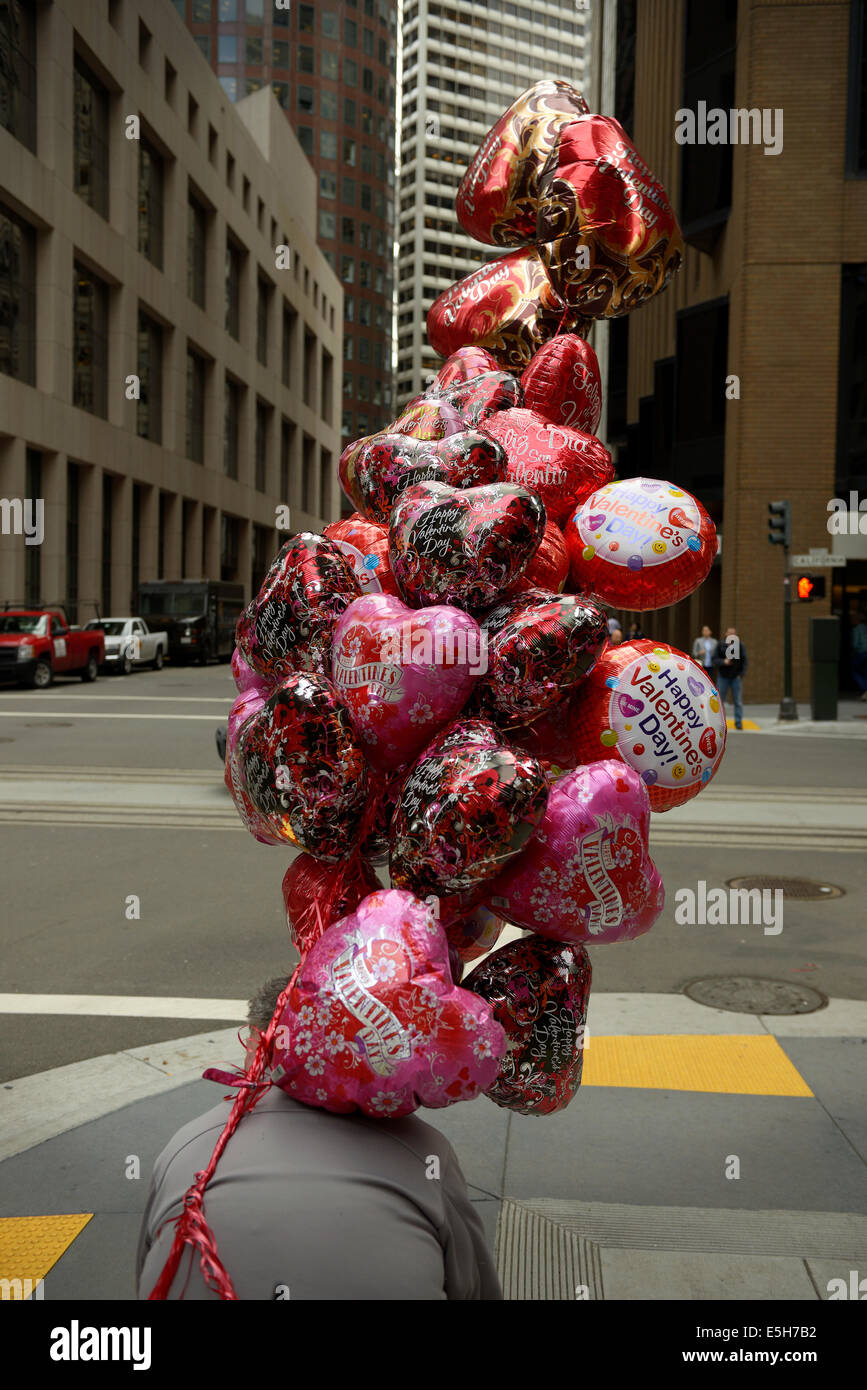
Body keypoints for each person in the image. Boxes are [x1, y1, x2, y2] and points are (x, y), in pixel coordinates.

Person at [136, 974, 501, 1301]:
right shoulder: (425, 1152)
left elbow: (147, 1274)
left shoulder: (186, 1147)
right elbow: (473, 1286)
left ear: (255, 1043)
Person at [716, 627, 747, 730]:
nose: (731, 635)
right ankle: (720, 723)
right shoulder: (720, 645)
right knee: (720, 701)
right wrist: (723, 662)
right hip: (723, 677)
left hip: (735, 678)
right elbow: (714, 659)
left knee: (738, 701)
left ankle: (738, 723)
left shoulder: (740, 646)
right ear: (726, 634)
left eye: (733, 634)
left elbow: (744, 661)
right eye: (729, 633)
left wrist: (741, 674)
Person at [851, 611, 867, 700]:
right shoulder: (865, 628)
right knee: (865, 672)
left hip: (860, 653)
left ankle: (864, 689)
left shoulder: (856, 629)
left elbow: (855, 644)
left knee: (855, 671)